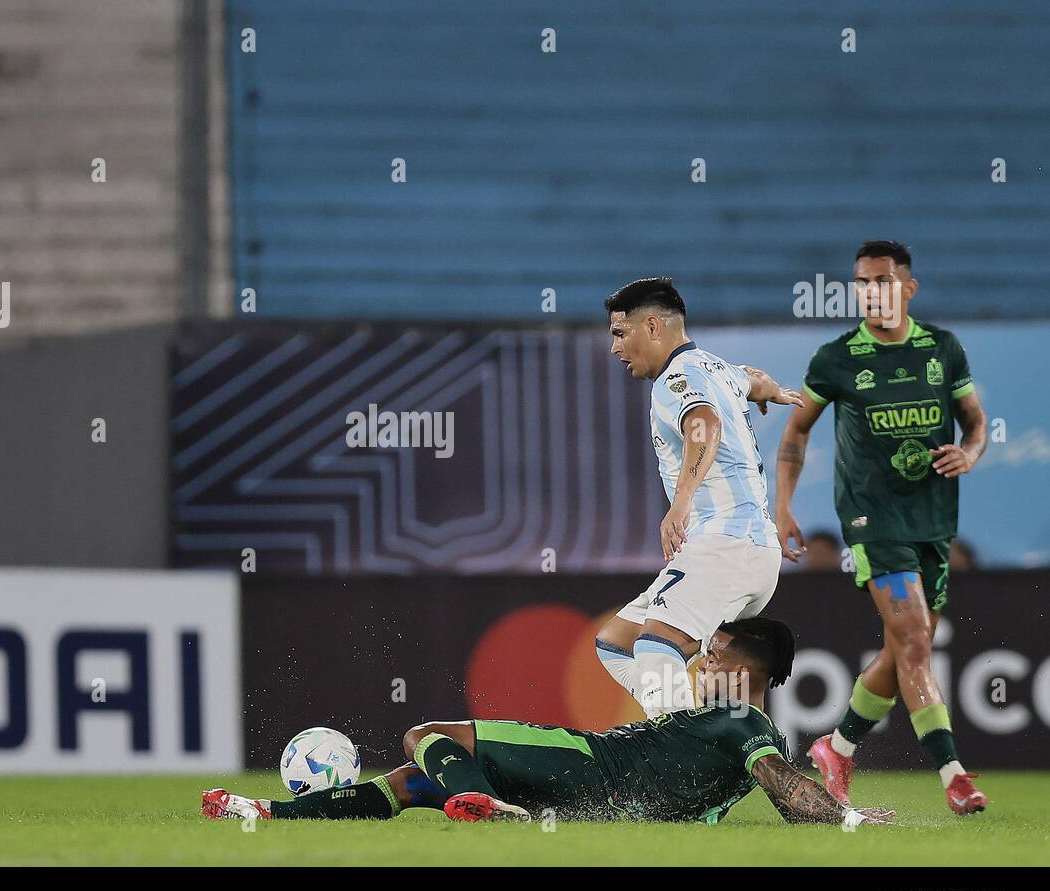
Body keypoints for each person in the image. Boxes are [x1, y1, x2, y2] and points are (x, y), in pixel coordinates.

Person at [202, 617, 894, 829]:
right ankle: (264, 810)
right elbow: (786, 798)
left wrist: (852, 820)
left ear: (747, 664)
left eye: (713, 649)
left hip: (586, 763)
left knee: (427, 736)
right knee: (411, 784)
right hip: (601, 806)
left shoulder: (741, 719)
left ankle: (484, 800)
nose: (701, 656)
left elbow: (781, 784)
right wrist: (844, 818)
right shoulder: (739, 724)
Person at [773, 240, 989, 815]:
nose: (871, 291)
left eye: (882, 281)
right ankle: (954, 774)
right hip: (873, 523)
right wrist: (783, 506)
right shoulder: (837, 358)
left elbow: (976, 424)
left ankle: (837, 748)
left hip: (934, 522)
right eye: (862, 282)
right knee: (917, 639)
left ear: (907, 288)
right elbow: (795, 433)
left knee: (904, 649)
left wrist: (970, 453)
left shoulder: (943, 350)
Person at [593, 277, 804, 717]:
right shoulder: (716, 368)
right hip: (743, 551)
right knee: (616, 643)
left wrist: (681, 502)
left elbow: (704, 423)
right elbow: (752, 378)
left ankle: (677, 757)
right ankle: (689, 728)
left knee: (656, 645)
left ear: (652, 326)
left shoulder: (675, 379)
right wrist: (775, 392)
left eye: (619, 333)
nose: (614, 348)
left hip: (727, 543)